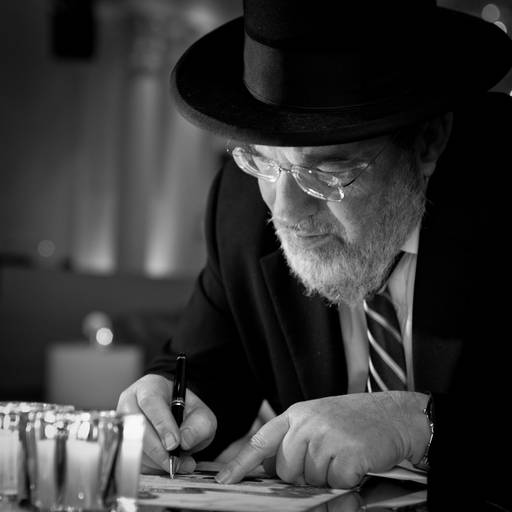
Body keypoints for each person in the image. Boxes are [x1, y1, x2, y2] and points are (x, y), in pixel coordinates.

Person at [117, 0, 512, 509]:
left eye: (326, 172)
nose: (286, 211)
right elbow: (204, 369)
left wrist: (417, 422)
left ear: (427, 143)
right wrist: (166, 406)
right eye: (263, 162)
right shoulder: (240, 207)